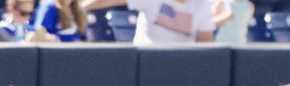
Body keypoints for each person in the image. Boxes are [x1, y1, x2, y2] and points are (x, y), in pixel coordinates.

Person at [81, 0, 215, 43]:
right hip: (146, 61)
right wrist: (79, 6)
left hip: (181, 65)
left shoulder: (202, 4)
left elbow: (206, 41)